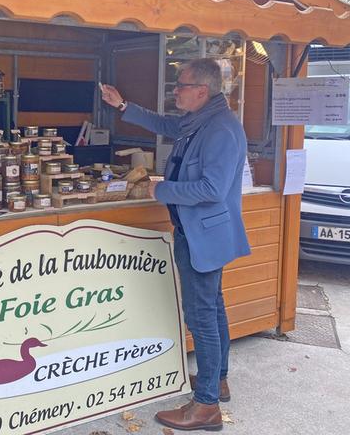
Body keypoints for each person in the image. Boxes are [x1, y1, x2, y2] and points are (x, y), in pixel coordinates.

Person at [101, 57, 250, 431]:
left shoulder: (220, 130)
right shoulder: (200, 120)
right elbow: (163, 123)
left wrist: (161, 189)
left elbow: (213, 189)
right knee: (212, 309)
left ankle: (206, 407)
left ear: (202, 91)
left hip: (205, 235)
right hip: (198, 232)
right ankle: (217, 381)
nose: (175, 92)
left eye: (180, 86)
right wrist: (122, 106)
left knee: (201, 316)